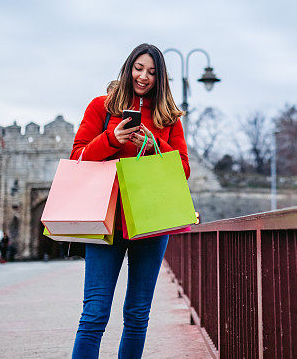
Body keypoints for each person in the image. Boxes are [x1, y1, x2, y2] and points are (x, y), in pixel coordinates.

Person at [70, 43, 190, 359]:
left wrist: (154, 146)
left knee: (137, 314)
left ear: (160, 77)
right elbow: (77, 157)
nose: (143, 77)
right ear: (128, 68)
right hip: (105, 221)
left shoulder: (168, 117)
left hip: (151, 222)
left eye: (151, 72)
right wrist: (112, 139)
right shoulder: (101, 107)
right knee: (94, 314)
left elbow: (184, 170)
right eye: (138, 68)